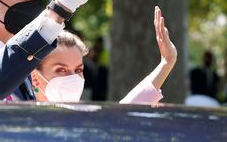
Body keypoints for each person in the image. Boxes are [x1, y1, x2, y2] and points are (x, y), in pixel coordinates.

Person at [31, 6, 177, 104]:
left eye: (78, 70)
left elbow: (122, 115)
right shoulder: (17, 120)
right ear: (35, 78)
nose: (73, 78)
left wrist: (167, 62)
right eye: (61, 70)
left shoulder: (84, 119)